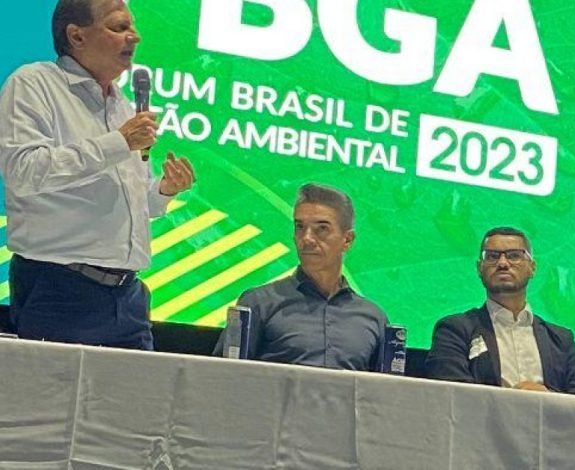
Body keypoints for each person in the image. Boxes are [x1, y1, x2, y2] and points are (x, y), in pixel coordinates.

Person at [0, 0, 195, 349]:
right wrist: (119, 142)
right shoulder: (35, 84)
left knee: (138, 387)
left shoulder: (121, 105)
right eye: (119, 27)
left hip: (129, 296)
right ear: (77, 36)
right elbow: (24, 172)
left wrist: (164, 190)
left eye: (132, 26)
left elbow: (134, 203)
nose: (134, 36)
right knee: (54, 388)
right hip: (61, 290)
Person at [213, 183, 388, 371]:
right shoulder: (258, 303)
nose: (307, 238)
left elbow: (386, 388)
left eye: (322, 228)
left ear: (347, 240)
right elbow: (221, 377)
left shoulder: (374, 318)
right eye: (300, 227)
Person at [426, 227, 575, 394]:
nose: (503, 263)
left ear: (532, 267)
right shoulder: (453, 330)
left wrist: (546, 398)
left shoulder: (561, 339)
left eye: (514, 256)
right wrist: (516, 401)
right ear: (479, 268)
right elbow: (452, 397)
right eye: (492, 256)